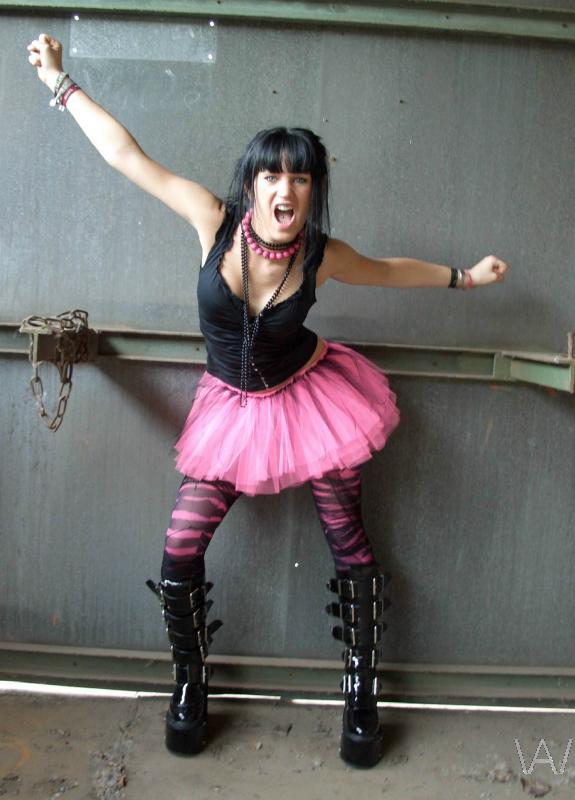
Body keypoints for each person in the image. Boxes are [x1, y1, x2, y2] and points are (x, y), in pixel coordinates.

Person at [27, 32, 508, 769]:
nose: (287, 190)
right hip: (231, 410)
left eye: (301, 178)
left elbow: (387, 270)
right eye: (272, 175)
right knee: (180, 548)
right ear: (251, 183)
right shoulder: (210, 220)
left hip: (312, 399)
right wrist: (61, 83)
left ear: (314, 188)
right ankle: (190, 682)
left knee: (347, 538)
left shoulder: (321, 255)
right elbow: (127, 157)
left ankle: (360, 691)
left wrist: (465, 277)